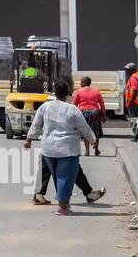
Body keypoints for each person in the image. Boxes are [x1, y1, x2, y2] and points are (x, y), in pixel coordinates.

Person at [24, 79, 96, 216]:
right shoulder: (72, 109)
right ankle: (62, 207)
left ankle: (64, 203)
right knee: (65, 177)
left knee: (58, 177)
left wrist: (29, 139)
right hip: (67, 150)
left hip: (48, 149)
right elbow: (84, 127)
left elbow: (36, 123)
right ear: (68, 93)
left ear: (55, 92)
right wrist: (92, 139)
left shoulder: (45, 107)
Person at [72, 75, 106, 155]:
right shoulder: (96, 91)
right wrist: (103, 115)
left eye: (81, 82)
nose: (80, 83)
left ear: (83, 83)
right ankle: (96, 150)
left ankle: (87, 151)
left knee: (85, 132)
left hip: (84, 113)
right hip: (95, 113)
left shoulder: (79, 91)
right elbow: (102, 104)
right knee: (96, 131)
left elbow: (74, 105)